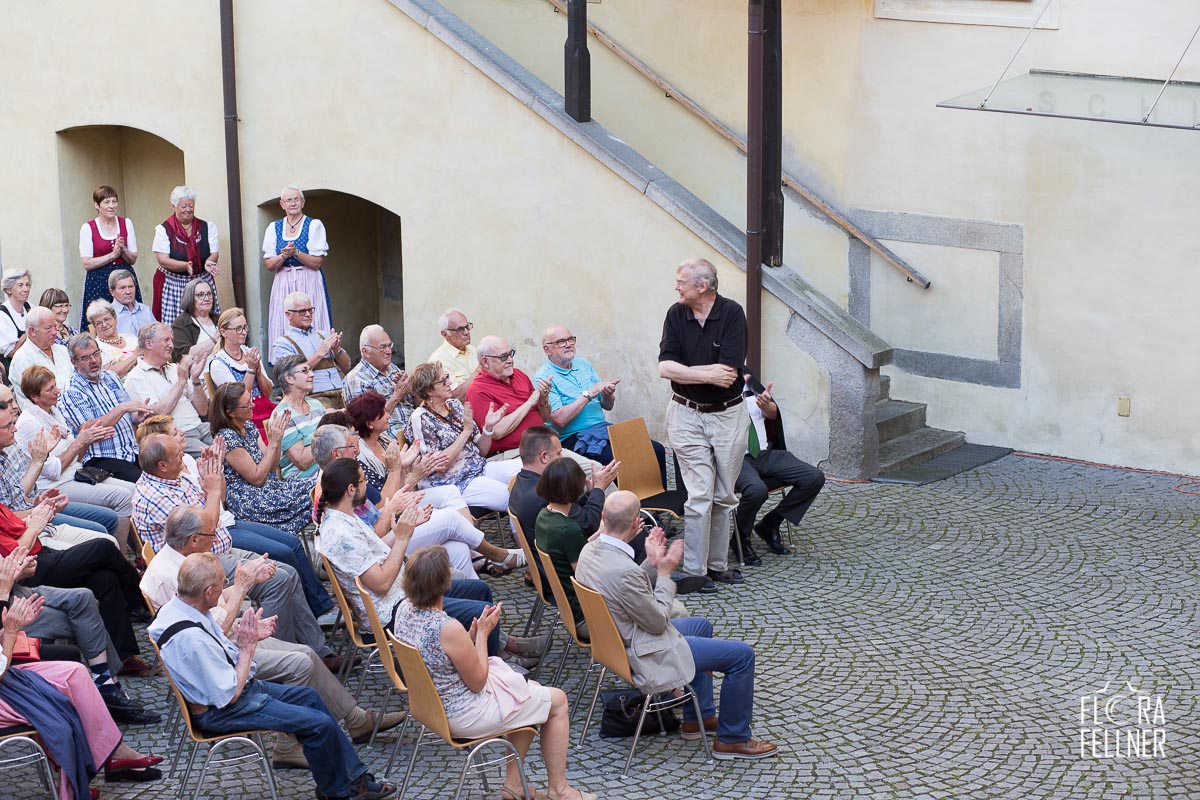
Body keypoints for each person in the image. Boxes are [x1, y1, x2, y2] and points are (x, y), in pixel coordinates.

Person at [141, 506, 403, 761]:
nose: (218, 537)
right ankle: (287, 745)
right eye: (213, 534)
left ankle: (356, 720)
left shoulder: (186, 563)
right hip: (220, 656)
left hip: (225, 643)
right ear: (194, 540)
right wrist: (242, 590)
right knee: (300, 663)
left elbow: (213, 612)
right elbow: (208, 635)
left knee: (306, 652)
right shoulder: (169, 575)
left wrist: (248, 581)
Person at [149, 553, 396, 800]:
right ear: (207, 592)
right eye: (223, 585)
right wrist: (247, 647)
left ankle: (354, 779)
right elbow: (230, 695)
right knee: (318, 725)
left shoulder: (177, 608)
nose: (225, 590)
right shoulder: (190, 639)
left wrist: (249, 635)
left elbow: (218, 651)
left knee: (310, 698)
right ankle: (338, 793)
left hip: (231, 692)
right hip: (222, 710)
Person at [575, 491, 778, 760]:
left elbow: (625, 589)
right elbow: (658, 622)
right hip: (643, 651)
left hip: (616, 642)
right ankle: (732, 739)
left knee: (701, 626)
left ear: (603, 517)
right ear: (637, 524)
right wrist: (665, 573)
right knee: (742, 656)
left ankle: (698, 719)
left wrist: (651, 563)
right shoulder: (623, 572)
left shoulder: (590, 551)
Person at [392, 547, 594, 800]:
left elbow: (440, 658)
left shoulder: (403, 611)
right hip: (462, 713)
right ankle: (560, 789)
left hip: (430, 706)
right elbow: (477, 682)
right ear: (445, 583)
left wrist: (472, 637)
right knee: (557, 701)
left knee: (528, 693)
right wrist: (483, 636)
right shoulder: (446, 626)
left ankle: (515, 785)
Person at [317, 459, 544, 664]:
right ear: (350, 490)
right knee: (482, 607)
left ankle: (499, 650)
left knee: (480, 589)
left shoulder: (344, 518)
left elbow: (378, 550)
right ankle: (493, 668)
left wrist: (407, 526)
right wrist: (404, 538)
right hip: (394, 612)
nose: (367, 485)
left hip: (402, 594)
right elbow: (382, 583)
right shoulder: (340, 534)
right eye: (364, 480)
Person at [134, 421, 333, 620]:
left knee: (289, 567)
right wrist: (212, 490)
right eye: (177, 455)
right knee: (279, 578)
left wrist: (216, 473)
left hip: (221, 539)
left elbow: (218, 503)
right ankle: (271, 640)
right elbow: (207, 529)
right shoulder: (157, 496)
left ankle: (315, 646)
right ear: (162, 465)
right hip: (202, 561)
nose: (183, 458)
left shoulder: (175, 477)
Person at [0, 590, 164, 799]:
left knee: (75, 672)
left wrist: (11, 628)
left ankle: (113, 752)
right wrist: (11, 630)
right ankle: (76, 776)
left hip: (7, 676)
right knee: (58, 711)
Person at [311, 427, 522, 578]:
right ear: (336, 453)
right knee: (449, 519)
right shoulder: (337, 486)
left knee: (457, 548)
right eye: (351, 446)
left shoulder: (342, 475)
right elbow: (371, 535)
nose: (356, 450)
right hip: (384, 549)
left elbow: (379, 510)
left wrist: (399, 489)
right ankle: (498, 555)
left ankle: (481, 626)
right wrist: (394, 506)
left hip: (390, 531)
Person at [658, 257, 749, 594]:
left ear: (702, 286)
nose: (676, 286)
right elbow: (665, 368)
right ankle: (695, 571)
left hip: (727, 415)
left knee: (724, 494)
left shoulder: (732, 314)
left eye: (681, 281)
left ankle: (717, 565)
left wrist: (694, 371)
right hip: (685, 413)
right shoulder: (675, 314)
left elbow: (727, 376)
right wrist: (704, 373)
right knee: (698, 494)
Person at [13, 372, 137, 553]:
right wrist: (80, 441)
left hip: (75, 473)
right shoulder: (29, 423)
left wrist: (87, 440)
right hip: (55, 484)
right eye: (50, 389)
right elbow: (53, 471)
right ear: (35, 397)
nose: (57, 391)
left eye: (55, 385)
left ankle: (133, 551)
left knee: (133, 490)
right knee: (123, 497)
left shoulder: (53, 412)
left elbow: (77, 459)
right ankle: (123, 556)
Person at [535, 324, 667, 486]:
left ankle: (657, 504)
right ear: (547, 349)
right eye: (561, 341)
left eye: (571, 339)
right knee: (614, 460)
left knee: (656, 450)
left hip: (602, 430)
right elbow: (559, 419)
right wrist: (589, 393)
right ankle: (626, 507)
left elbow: (607, 406)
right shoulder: (543, 377)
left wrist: (608, 395)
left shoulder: (583, 364)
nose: (569, 344)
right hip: (574, 438)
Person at [509, 426, 619, 595]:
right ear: (544, 457)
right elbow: (588, 523)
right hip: (567, 582)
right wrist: (599, 489)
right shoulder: (545, 495)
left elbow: (577, 514)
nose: (562, 458)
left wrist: (589, 493)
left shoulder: (519, 483)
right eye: (559, 453)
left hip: (548, 571)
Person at [734, 372, 825, 563]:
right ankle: (740, 538)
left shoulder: (749, 381)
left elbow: (772, 414)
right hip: (736, 458)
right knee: (756, 490)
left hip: (764, 453)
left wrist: (767, 406)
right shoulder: (714, 385)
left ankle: (770, 523)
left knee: (813, 477)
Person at [210, 382, 317, 537]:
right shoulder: (226, 437)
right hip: (248, 498)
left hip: (268, 486)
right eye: (246, 405)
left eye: (250, 399)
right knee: (316, 492)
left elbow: (272, 467)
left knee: (320, 484)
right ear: (230, 413)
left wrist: (278, 438)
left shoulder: (248, 426)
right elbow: (257, 478)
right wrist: (273, 443)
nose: (252, 405)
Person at [408, 362, 517, 511]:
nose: (450, 383)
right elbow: (440, 466)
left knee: (527, 473)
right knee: (513, 498)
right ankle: (522, 534)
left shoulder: (454, 405)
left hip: (479, 467)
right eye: (443, 380)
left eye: (447, 377)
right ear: (429, 390)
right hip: (455, 481)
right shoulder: (420, 418)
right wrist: (465, 432)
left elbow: (482, 451)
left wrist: (488, 428)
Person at [57, 332, 153, 482]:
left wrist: (137, 417)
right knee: (146, 484)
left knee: (163, 474)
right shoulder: (71, 391)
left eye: (96, 354)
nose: (93, 360)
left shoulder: (110, 377)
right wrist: (121, 409)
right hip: (101, 459)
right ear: (74, 362)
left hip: (131, 451)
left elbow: (128, 414)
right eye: (85, 358)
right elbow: (89, 428)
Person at [124, 323, 211, 456]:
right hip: (177, 436)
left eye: (172, 340)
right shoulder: (136, 377)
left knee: (237, 445)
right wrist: (181, 381)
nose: (171, 345)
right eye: (166, 340)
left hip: (201, 426)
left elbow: (203, 410)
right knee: (217, 455)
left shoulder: (174, 368)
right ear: (148, 344)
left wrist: (195, 379)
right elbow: (158, 415)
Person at [264, 186, 331, 349]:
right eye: (288, 200)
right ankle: (286, 360)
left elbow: (317, 263)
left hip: (308, 279)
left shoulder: (314, 225)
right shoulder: (274, 227)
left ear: (303, 202)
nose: (293, 203)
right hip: (284, 281)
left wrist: (296, 253)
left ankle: (317, 356)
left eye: (296, 199)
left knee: (310, 317)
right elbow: (269, 265)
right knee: (284, 320)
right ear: (282, 204)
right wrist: (283, 256)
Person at [533, 459, 592, 639]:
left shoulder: (544, 515)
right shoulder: (567, 529)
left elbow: (572, 550)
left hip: (567, 608)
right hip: (586, 617)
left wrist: (601, 535)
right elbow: (586, 576)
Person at [151, 185, 221, 325]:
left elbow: (214, 253)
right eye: (184, 206)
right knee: (176, 325)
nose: (188, 209)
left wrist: (208, 262)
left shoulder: (207, 227)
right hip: (173, 283)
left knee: (206, 322)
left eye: (191, 206)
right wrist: (184, 265)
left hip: (202, 282)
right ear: (174, 206)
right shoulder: (164, 230)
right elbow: (162, 260)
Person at [77, 185, 143, 330]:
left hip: (123, 279)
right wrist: (112, 255)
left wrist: (123, 250)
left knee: (128, 318)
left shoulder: (126, 223)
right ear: (97, 205)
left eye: (114, 202)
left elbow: (133, 259)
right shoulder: (88, 228)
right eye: (106, 202)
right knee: (100, 320)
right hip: (98, 281)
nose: (111, 206)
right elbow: (87, 263)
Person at [269, 291, 349, 408]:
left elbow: (347, 365)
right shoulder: (283, 343)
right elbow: (292, 375)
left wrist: (337, 350)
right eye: (302, 311)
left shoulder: (323, 335)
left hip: (343, 391)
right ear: (288, 315)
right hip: (314, 397)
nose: (308, 314)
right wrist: (320, 353)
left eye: (310, 310)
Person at [205, 307, 274, 436]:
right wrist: (251, 370)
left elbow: (268, 392)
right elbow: (238, 399)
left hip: (264, 407)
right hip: (243, 416)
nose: (243, 332)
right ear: (223, 332)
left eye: (245, 327)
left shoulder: (249, 353)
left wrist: (258, 373)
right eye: (238, 329)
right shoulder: (219, 363)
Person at [342, 324, 412, 437]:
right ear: (365, 352)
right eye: (382, 347)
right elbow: (366, 422)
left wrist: (410, 389)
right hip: (388, 436)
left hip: (412, 426)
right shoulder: (356, 379)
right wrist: (397, 395)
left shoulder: (393, 368)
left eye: (390, 346)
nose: (389, 351)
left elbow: (413, 402)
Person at [8, 306, 73, 409]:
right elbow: (35, 403)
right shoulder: (22, 359)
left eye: (55, 327)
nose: (54, 332)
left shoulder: (62, 350)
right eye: (48, 328)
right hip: (48, 418)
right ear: (32, 331)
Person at [270, 355, 323, 479]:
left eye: (310, 370)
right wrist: (332, 441)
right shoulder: (283, 415)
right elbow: (302, 461)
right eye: (304, 371)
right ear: (289, 378)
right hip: (304, 480)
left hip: (326, 471)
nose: (312, 374)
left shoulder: (316, 404)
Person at [345, 390, 399, 491]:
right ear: (369, 424)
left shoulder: (385, 440)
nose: (388, 416)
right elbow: (380, 498)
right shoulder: (359, 454)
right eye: (383, 413)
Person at [427, 308, 478, 398]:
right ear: (445, 334)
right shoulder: (438, 361)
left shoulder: (473, 350)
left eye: (467, 327)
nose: (467, 332)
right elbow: (453, 399)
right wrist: (479, 371)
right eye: (460, 329)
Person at [171, 277, 221, 364]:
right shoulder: (182, 322)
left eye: (209, 294)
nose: (206, 298)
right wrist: (214, 339)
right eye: (200, 295)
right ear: (190, 298)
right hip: (199, 374)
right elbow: (183, 356)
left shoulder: (219, 319)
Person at [84, 300, 139, 379]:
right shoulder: (95, 348)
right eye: (98, 323)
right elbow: (108, 376)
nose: (105, 325)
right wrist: (134, 356)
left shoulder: (131, 337)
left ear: (115, 318)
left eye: (107, 319)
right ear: (94, 326)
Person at [108, 269, 156, 337]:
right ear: (112, 292)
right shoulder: (108, 315)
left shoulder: (145, 310)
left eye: (130, 287)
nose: (128, 292)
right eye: (122, 288)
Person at [0, 268, 32, 362]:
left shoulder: (30, 307)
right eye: (20, 285)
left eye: (27, 285)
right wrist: (29, 333)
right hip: (14, 366)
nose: (26, 289)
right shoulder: (2, 315)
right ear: (8, 290)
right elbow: (11, 353)